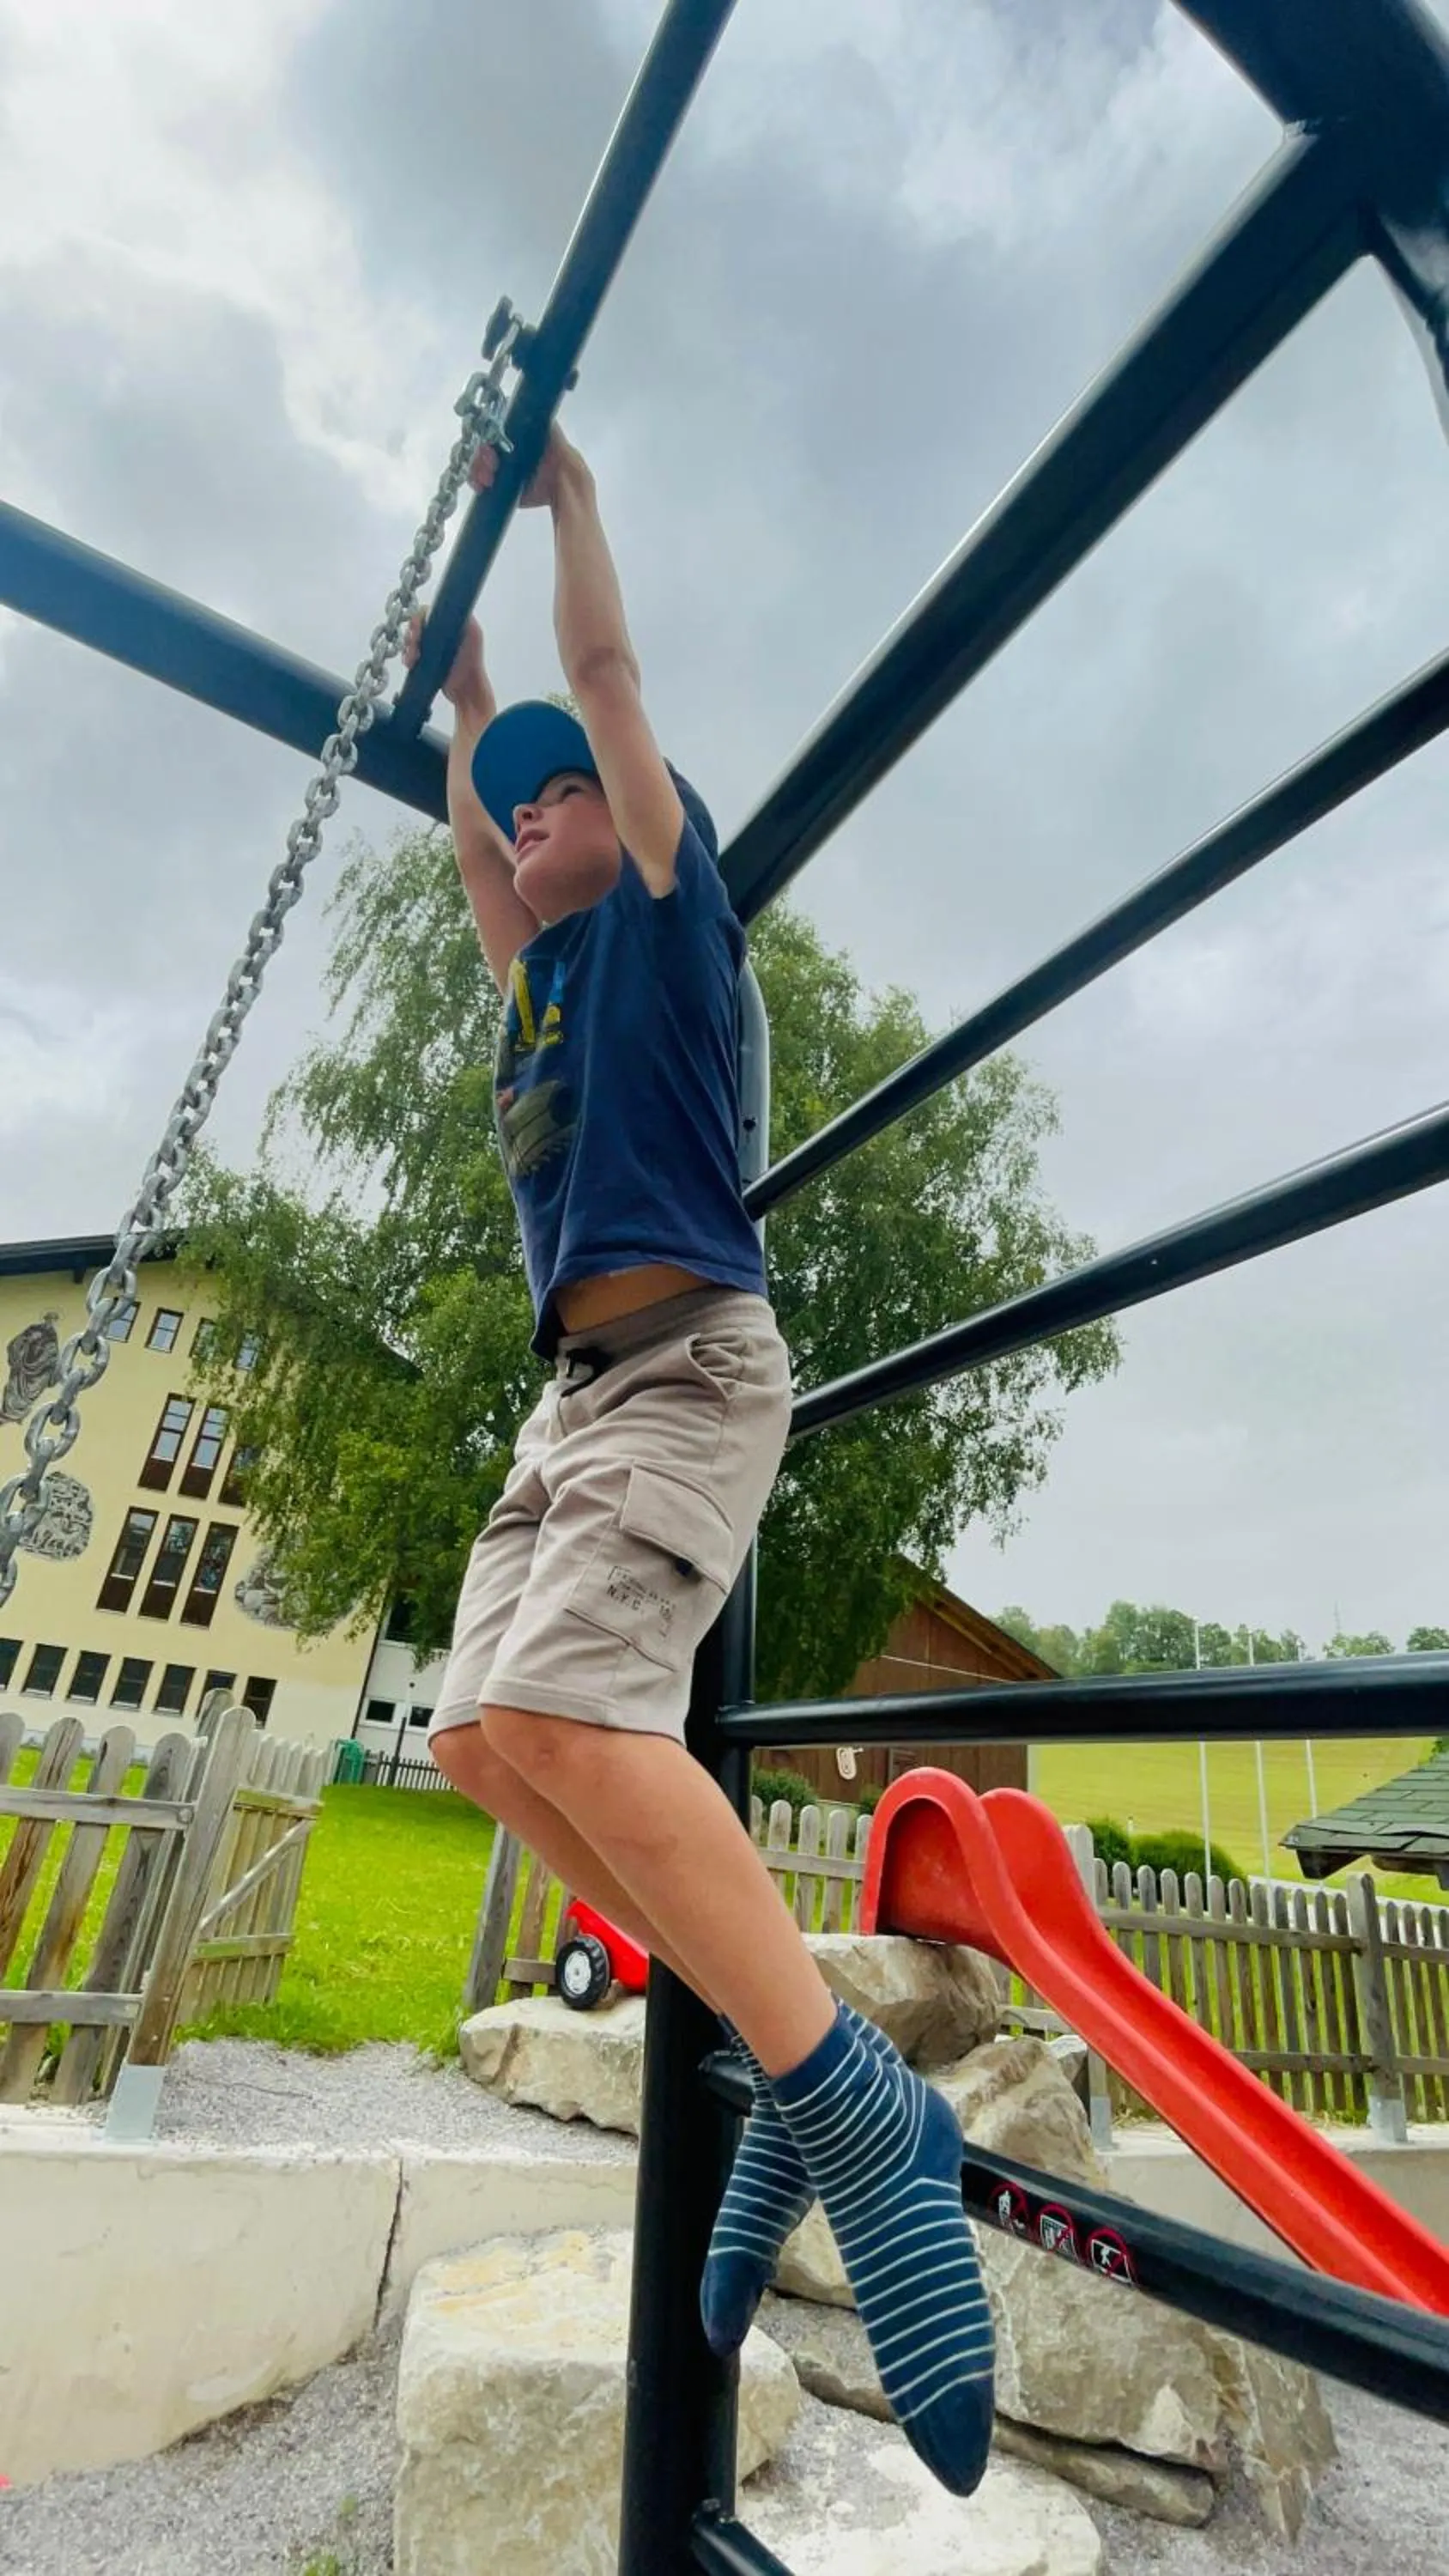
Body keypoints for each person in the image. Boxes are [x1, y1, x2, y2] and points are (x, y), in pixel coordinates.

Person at [409, 422, 994, 2497]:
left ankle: (846, 2100)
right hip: (567, 1403)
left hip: (686, 1374)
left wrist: (565, 512)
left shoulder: (664, 911)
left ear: (641, 823)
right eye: (529, 806)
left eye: (574, 793)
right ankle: (781, 2063)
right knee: (481, 1733)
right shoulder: (534, 979)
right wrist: (468, 695)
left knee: (575, 1700)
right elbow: (474, 834)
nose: (543, 815)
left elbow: (618, 704)